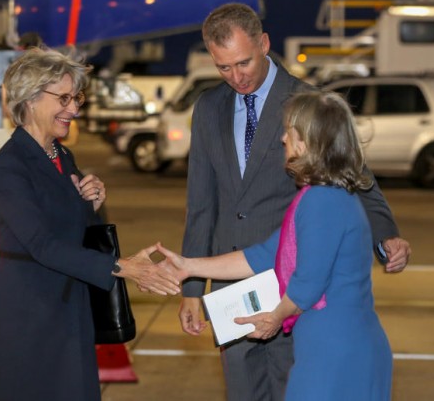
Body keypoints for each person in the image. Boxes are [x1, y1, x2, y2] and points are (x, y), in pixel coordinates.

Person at [180, 3, 411, 401]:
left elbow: (360, 179)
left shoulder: (308, 104)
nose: (236, 77)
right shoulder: (208, 109)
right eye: (223, 68)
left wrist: (386, 236)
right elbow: (201, 203)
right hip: (234, 285)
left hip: (295, 280)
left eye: (244, 63)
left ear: (264, 43)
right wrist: (191, 287)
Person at [0, 47, 180, 401]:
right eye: (64, 98)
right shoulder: (10, 166)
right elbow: (41, 244)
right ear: (31, 99)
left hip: (67, 309)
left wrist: (94, 204)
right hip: (23, 315)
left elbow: (74, 232)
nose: (74, 109)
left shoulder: (61, 156)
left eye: (76, 97)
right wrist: (123, 268)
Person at [161, 90, 394, 400]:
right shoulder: (324, 195)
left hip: (335, 352)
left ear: (307, 142)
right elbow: (264, 255)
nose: (283, 138)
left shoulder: (322, 200)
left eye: (290, 132)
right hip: (334, 346)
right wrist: (188, 266)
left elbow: (307, 285)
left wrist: (274, 318)